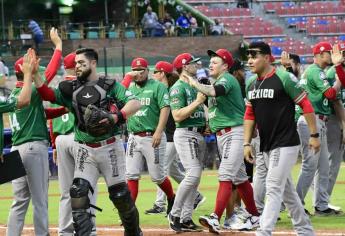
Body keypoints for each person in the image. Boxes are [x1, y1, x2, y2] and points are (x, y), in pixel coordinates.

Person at [32, 48, 142, 236]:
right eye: (75, 63)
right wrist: (34, 74)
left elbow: (135, 103)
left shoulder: (111, 85)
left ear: (93, 63)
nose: (77, 67)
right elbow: (47, 95)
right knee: (78, 193)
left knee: (120, 195)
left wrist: (116, 117)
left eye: (81, 63)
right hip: (84, 149)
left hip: (110, 147)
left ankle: (133, 232)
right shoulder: (71, 89)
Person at [243, 41, 319, 236]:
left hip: (285, 142)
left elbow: (306, 105)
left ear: (267, 58)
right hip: (266, 144)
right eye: (248, 57)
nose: (250, 60)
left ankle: (264, 232)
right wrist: (246, 143)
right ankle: (305, 230)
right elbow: (250, 115)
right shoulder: (252, 83)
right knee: (288, 193)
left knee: (273, 187)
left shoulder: (284, 78)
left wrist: (314, 135)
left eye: (254, 56)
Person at [184, 49, 258, 234]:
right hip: (223, 134)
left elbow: (213, 91)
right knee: (240, 179)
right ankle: (255, 216)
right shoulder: (217, 80)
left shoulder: (227, 79)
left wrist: (193, 82)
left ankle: (215, 217)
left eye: (215, 62)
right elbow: (213, 104)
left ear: (225, 65)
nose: (211, 64)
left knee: (225, 174)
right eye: (211, 61)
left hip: (234, 132)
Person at [145, 61, 205, 216]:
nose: (154, 75)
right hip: (175, 133)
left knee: (163, 168)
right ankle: (196, 196)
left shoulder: (171, 89)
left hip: (173, 134)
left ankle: (160, 204)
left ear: (163, 73)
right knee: (172, 169)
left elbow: (175, 115)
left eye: (156, 72)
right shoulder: (167, 88)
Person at [6, 49, 51, 236]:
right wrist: (57, 48)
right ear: (25, 72)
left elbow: (44, 113)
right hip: (32, 147)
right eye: (34, 70)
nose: (37, 72)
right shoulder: (31, 89)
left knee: (19, 200)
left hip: (15, 148)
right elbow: (50, 73)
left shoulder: (10, 96)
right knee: (40, 200)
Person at [296, 42, 343, 216]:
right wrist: (338, 81)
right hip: (311, 120)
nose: (332, 55)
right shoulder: (315, 71)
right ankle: (297, 204)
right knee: (310, 165)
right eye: (329, 53)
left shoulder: (317, 71)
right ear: (320, 54)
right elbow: (330, 94)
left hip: (318, 120)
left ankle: (321, 206)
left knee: (323, 167)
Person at [125, 58, 175, 215]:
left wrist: (159, 131)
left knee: (158, 177)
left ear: (148, 71)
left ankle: (171, 197)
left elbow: (165, 108)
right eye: (136, 70)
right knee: (131, 175)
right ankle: (129, 212)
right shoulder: (129, 88)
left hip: (152, 136)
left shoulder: (158, 86)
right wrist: (127, 78)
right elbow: (116, 96)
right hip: (133, 136)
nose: (139, 73)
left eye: (142, 70)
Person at [168, 53, 207, 232]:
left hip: (198, 133)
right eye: (192, 63)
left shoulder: (193, 84)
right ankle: (174, 214)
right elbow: (177, 115)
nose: (196, 66)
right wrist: (198, 101)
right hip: (185, 134)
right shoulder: (178, 87)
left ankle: (186, 218)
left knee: (195, 178)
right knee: (193, 173)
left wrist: (205, 124)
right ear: (184, 66)